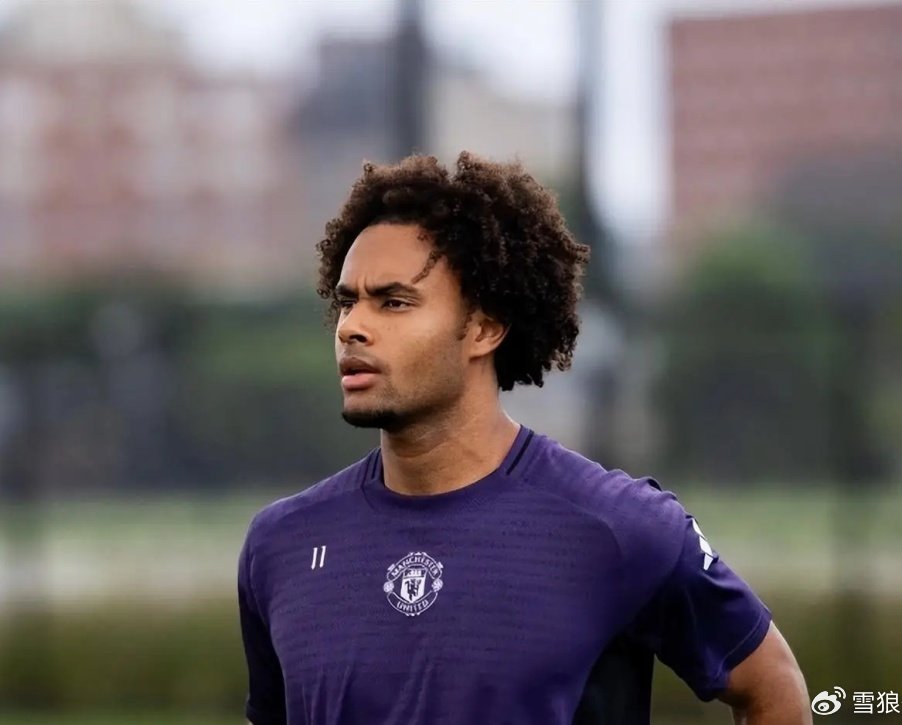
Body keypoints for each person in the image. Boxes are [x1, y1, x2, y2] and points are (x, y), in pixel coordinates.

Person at [237, 152, 811, 725]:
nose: (352, 327)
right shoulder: (280, 545)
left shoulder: (620, 528)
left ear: (484, 328)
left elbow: (774, 688)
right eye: (347, 302)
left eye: (394, 302)